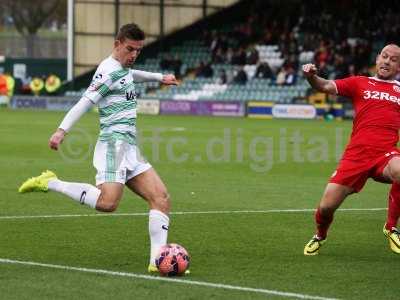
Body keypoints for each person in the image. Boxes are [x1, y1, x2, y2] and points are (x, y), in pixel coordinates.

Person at [18, 23, 181, 273]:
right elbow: (85, 102)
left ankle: (156, 261)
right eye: (130, 49)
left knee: (161, 199)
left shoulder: (123, 68)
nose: (134, 55)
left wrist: (161, 78)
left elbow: (132, 75)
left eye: (138, 50)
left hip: (129, 147)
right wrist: (62, 131)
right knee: (108, 203)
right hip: (113, 146)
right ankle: (51, 182)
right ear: (117, 44)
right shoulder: (106, 72)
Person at [302, 44, 400, 255]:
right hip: (356, 156)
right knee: (327, 207)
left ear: (398, 66)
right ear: (377, 59)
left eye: (393, 59)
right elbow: (326, 85)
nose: (387, 61)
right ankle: (320, 235)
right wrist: (311, 77)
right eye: (384, 56)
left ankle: (391, 227)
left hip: (385, 155)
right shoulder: (359, 82)